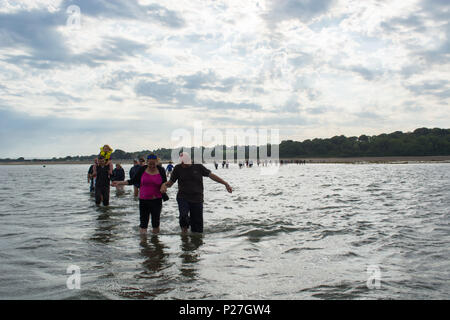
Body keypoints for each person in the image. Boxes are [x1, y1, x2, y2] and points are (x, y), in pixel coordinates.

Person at [160, 152, 232, 234]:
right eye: (181, 162)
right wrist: (164, 185)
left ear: (189, 160)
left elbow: (211, 176)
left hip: (197, 198)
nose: (182, 164)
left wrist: (225, 183)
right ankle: (184, 236)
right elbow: (170, 183)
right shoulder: (178, 168)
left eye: (184, 161)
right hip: (183, 197)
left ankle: (195, 237)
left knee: (197, 230)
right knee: (183, 217)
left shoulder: (198, 166)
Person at [112, 154, 169, 235]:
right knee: (143, 223)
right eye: (150, 164)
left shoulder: (161, 170)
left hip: (157, 200)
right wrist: (119, 182)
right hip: (143, 200)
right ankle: (143, 243)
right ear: (147, 162)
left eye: (154, 164)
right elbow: (132, 181)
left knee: (156, 223)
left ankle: (156, 242)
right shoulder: (142, 169)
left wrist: (164, 186)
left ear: (157, 162)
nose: (152, 166)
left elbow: (165, 182)